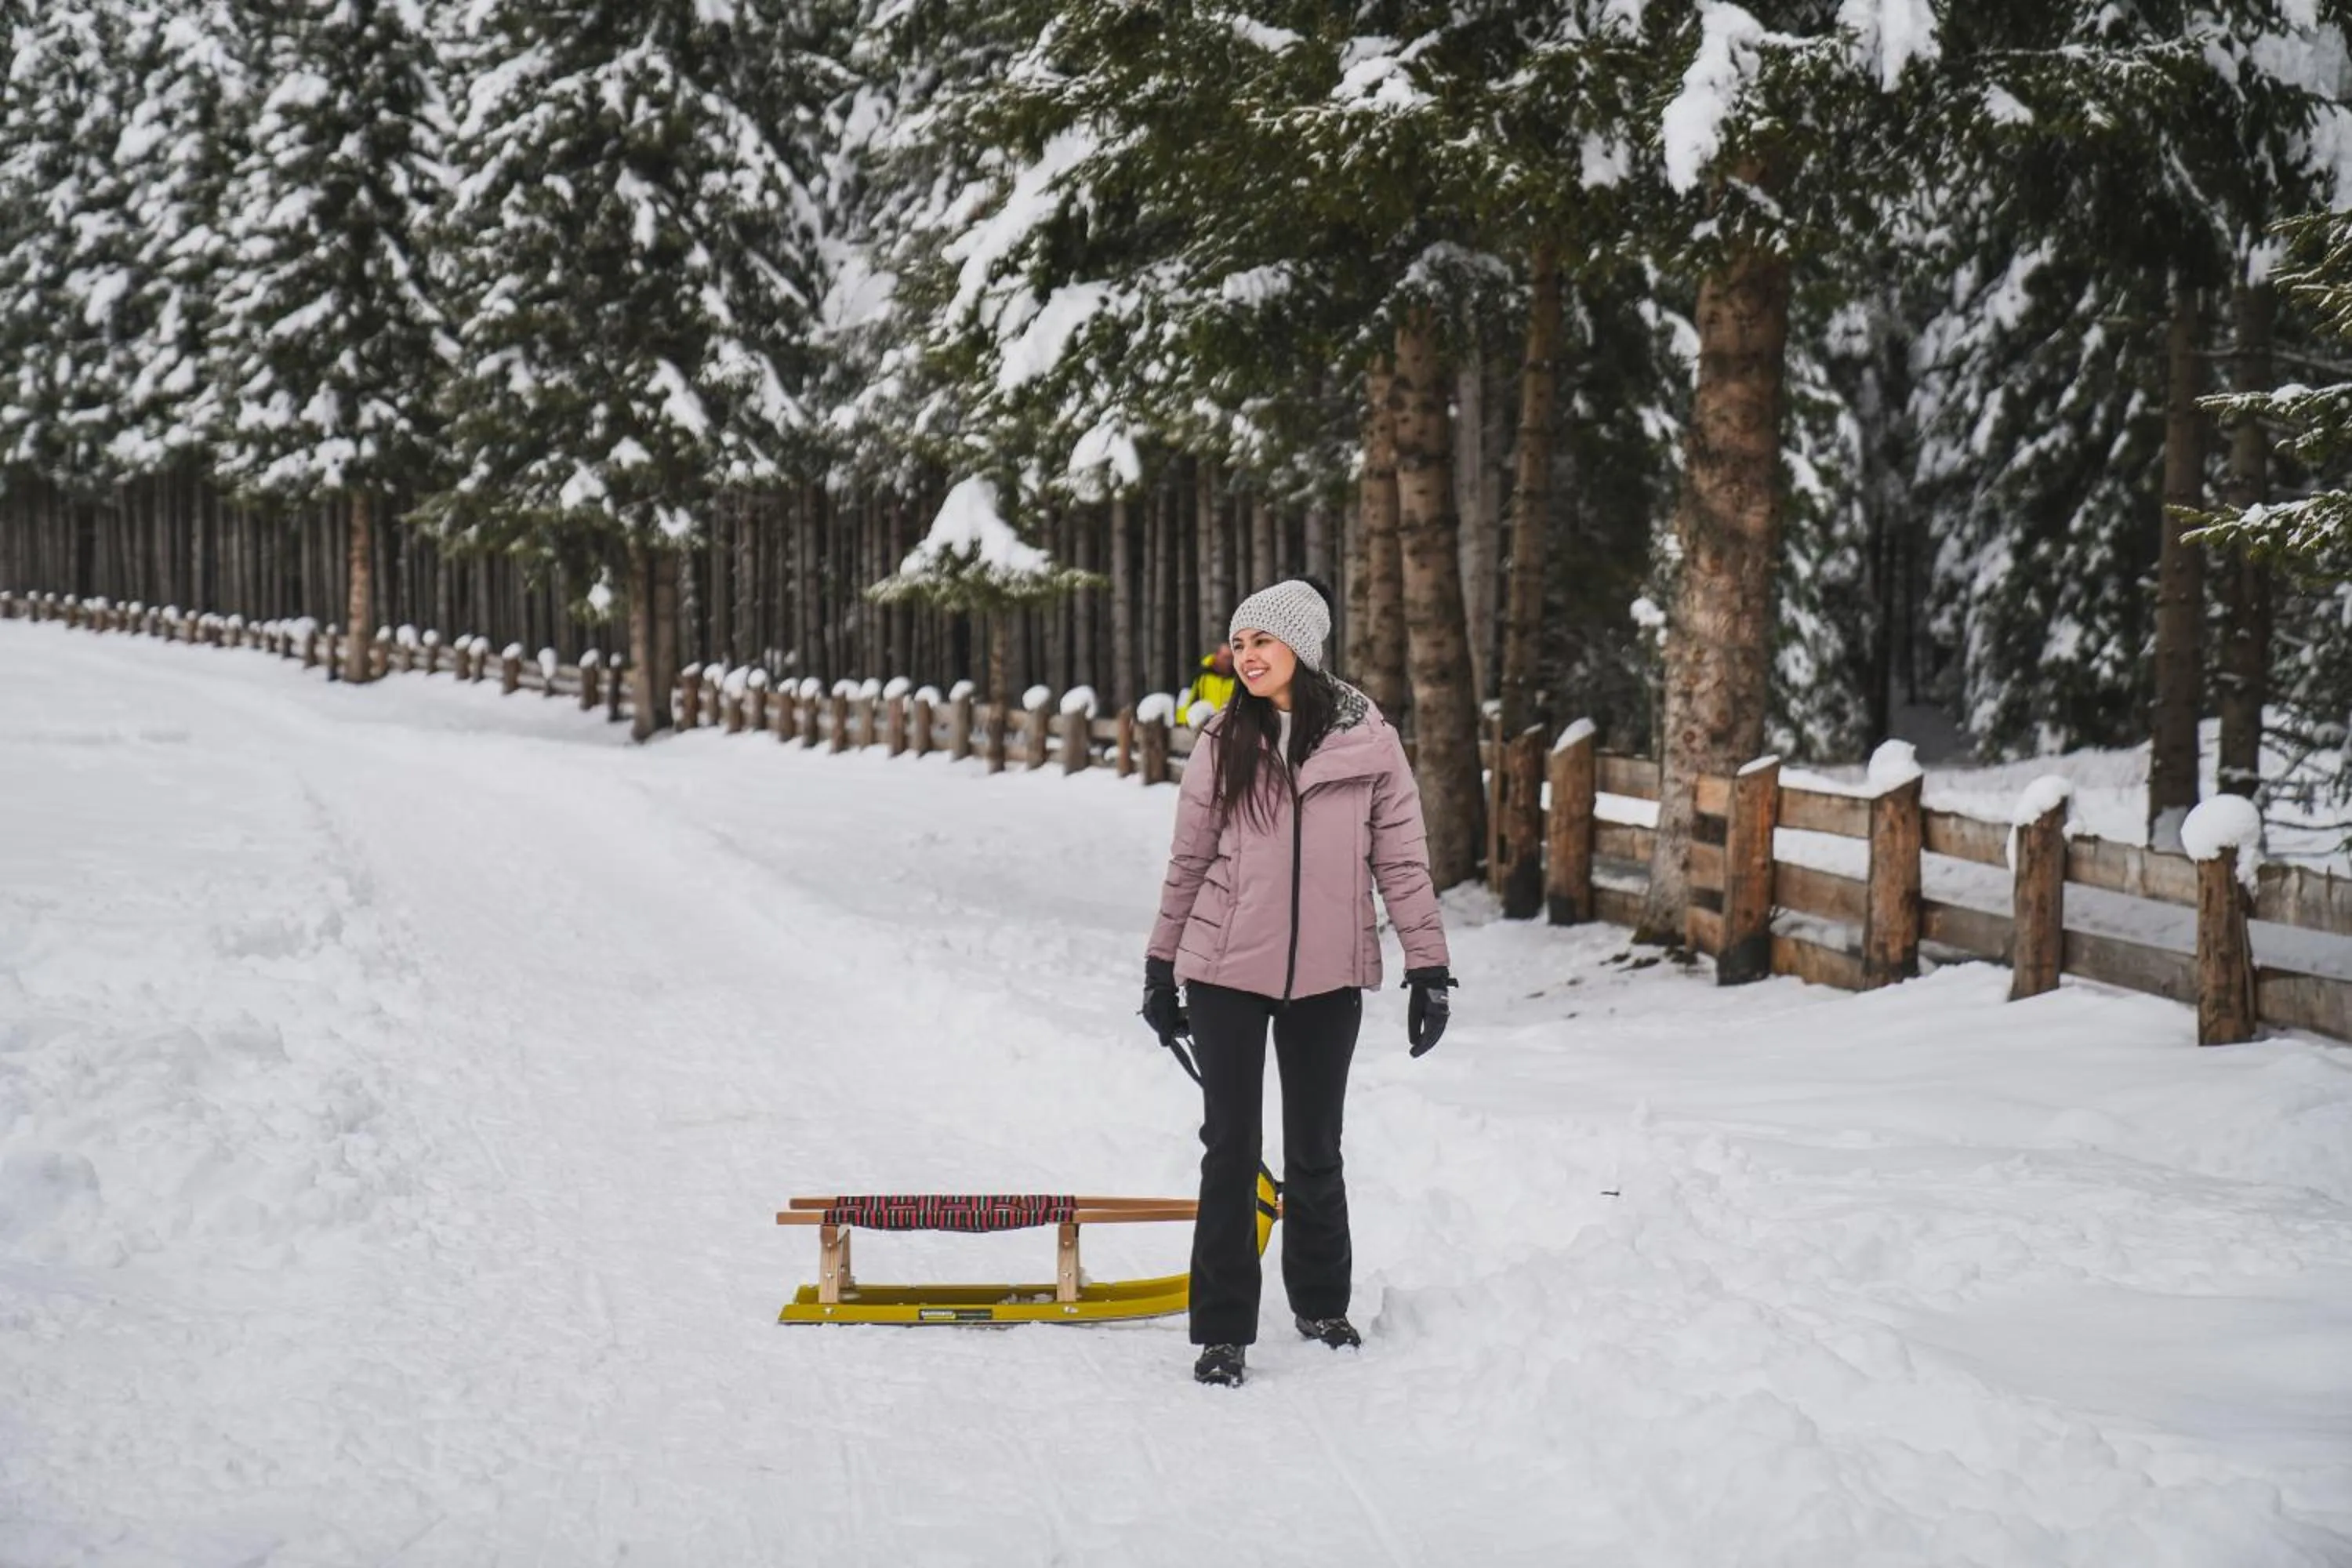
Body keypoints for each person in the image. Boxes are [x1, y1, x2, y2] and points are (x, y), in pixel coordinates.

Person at [1139, 576, 1456, 1388]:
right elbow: (1188, 860)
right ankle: (1221, 1329)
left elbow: (1402, 861)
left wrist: (1429, 967)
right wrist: (1160, 965)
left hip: (1329, 972)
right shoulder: (1221, 739)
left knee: (1317, 1148)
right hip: (1223, 969)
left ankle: (1320, 1303)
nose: (1246, 656)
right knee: (1231, 1148)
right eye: (1239, 643)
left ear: (1302, 649)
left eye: (1262, 641)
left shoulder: (1368, 741)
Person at [1180, 645, 1237, 724]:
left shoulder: (1237, 677)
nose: (1228, 662)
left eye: (1230, 658)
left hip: (1228, 721)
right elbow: (1187, 697)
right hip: (1204, 718)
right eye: (1225, 657)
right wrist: (1181, 720)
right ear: (1216, 656)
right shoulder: (1202, 674)